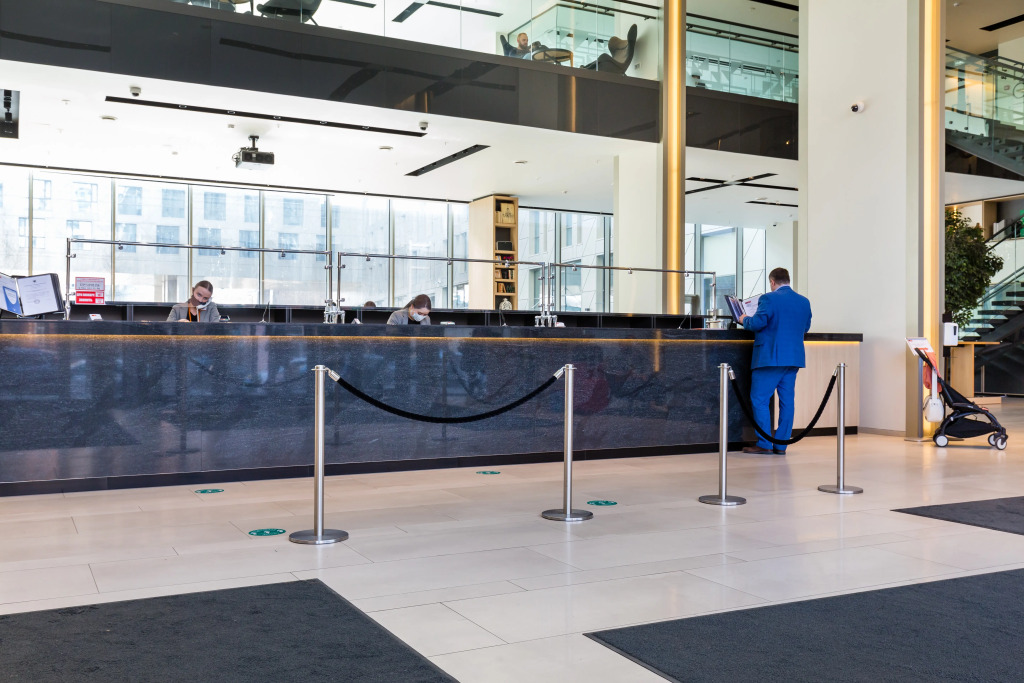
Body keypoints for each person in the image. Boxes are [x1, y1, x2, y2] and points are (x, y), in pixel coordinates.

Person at [737, 267, 812, 455]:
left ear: (772, 282)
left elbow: (757, 323)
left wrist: (744, 318)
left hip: (770, 357)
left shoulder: (768, 298)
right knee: (787, 402)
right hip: (793, 358)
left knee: (759, 399)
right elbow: (806, 327)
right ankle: (781, 445)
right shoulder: (804, 301)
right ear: (787, 280)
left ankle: (764, 444)